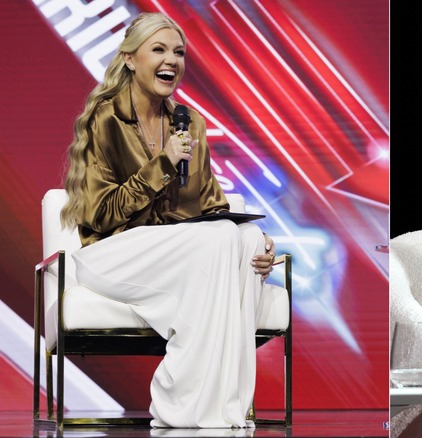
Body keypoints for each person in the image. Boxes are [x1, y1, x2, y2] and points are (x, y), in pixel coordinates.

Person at [59, 12, 277, 428]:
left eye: (178, 52)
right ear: (129, 59)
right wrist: (161, 166)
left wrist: (260, 239)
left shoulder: (189, 122)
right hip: (112, 253)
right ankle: (178, 402)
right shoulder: (106, 118)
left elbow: (212, 206)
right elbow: (99, 215)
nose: (171, 61)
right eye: (158, 50)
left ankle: (225, 409)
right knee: (215, 242)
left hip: (181, 252)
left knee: (244, 239)